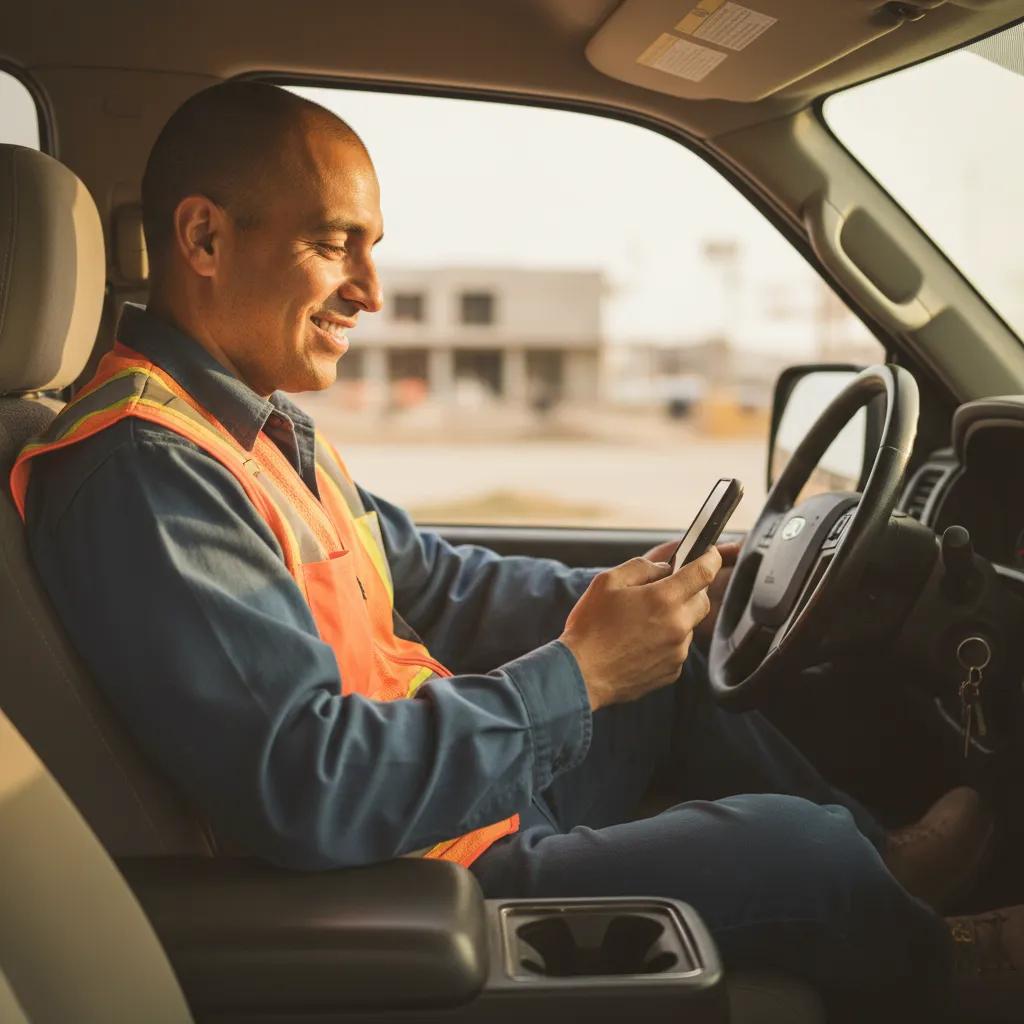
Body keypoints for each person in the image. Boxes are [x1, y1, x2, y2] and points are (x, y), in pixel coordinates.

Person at [11, 82, 1023, 1018]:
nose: (371, 290)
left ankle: (883, 872)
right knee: (799, 852)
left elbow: (437, 579)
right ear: (202, 238)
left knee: (678, 677)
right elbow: (307, 784)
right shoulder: (143, 473)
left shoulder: (245, 428)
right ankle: (932, 956)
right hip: (407, 875)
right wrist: (578, 676)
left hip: (444, 797)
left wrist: (637, 602)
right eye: (336, 244)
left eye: (373, 248)